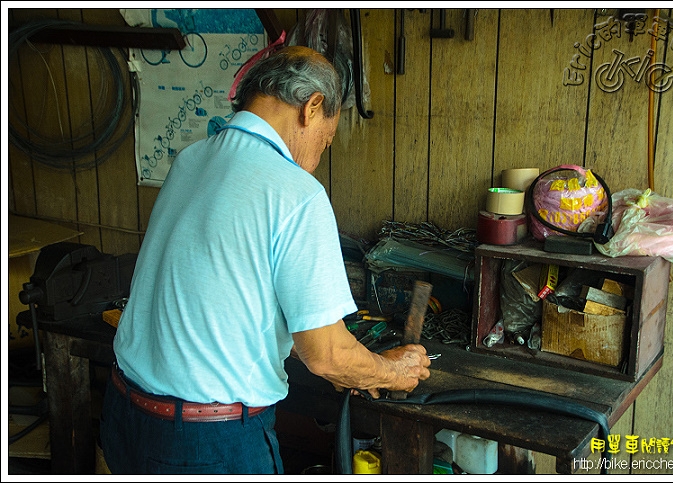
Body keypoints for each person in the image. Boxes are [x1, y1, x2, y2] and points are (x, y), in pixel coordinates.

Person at [99, 45, 431, 475]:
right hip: (207, 443)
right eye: (326, 142)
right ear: (311, 107)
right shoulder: (296, 192)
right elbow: (326, 357)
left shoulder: (191, 160)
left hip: (125, 415)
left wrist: (343, 359)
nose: (315, 159)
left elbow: (224, 284)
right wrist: (391, 371)